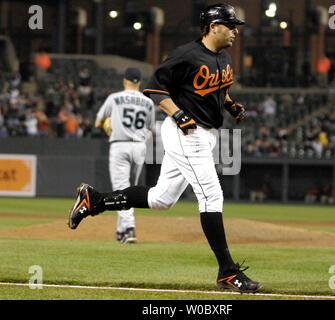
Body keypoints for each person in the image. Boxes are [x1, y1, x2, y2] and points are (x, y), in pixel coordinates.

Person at [68, 4, 262, 293]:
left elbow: (217, 88)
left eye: (235, 25)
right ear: (212, 27)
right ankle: (227, 271)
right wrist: (176, 113)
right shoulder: (186, 54)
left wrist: (229, 103)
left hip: (206, 134)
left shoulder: (223, 56)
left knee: (162, 198)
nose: (235, 30)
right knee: (211, 195)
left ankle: (94, 200)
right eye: (230, 25)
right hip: (187, 132)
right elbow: (155, 87)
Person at [94, 67, 155, 243]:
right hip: (139, 147)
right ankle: (121, 230)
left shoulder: (114, 98)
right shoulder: (148, 101)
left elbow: (98, 121)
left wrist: (107, 125)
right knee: (131, 191)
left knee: (122, 190)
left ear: (124, 80)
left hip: (120, 145)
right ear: (140, 82)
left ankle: (129, 229)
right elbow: (151, 128)